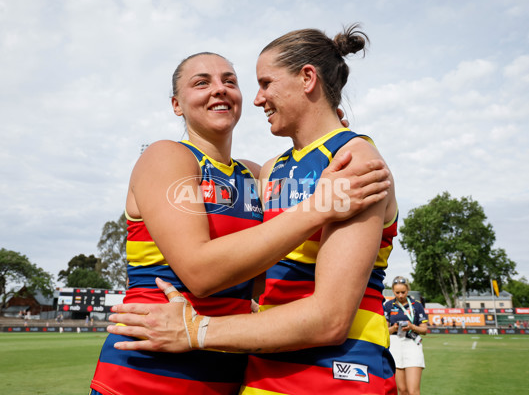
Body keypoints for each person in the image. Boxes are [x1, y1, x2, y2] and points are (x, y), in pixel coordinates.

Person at [109, 24, 399, 394]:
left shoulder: (337, 161)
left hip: (331, 376)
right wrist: (320, 206)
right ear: (176, 104)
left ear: (307, 78)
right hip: (177, 369)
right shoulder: (264, 171)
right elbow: (232, 275)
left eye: (258, 83)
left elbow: (322, 312)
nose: (257, 98)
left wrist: (199, 330)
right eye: (201, 83)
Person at [384, 276, 428, 395]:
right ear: (393, 291)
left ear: (408, 290)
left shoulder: (417, 305)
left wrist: (412, 326)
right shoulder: (388, 305)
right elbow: (384, 331)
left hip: (412, 345)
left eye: (403, 292)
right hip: (395, 346)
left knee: (413, 391)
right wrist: (393, 328)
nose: (400, 295)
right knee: (402, 390)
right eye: (397, 292)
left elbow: (424, 330)